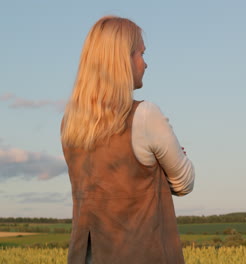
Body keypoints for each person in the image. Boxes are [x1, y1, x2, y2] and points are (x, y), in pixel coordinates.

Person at [61, 16, 195, 264]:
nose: (145, 64)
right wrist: (163, 166)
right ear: (122, 59)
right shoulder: (145, 115)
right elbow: (185, 183)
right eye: (141, 54)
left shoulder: (70, 125)